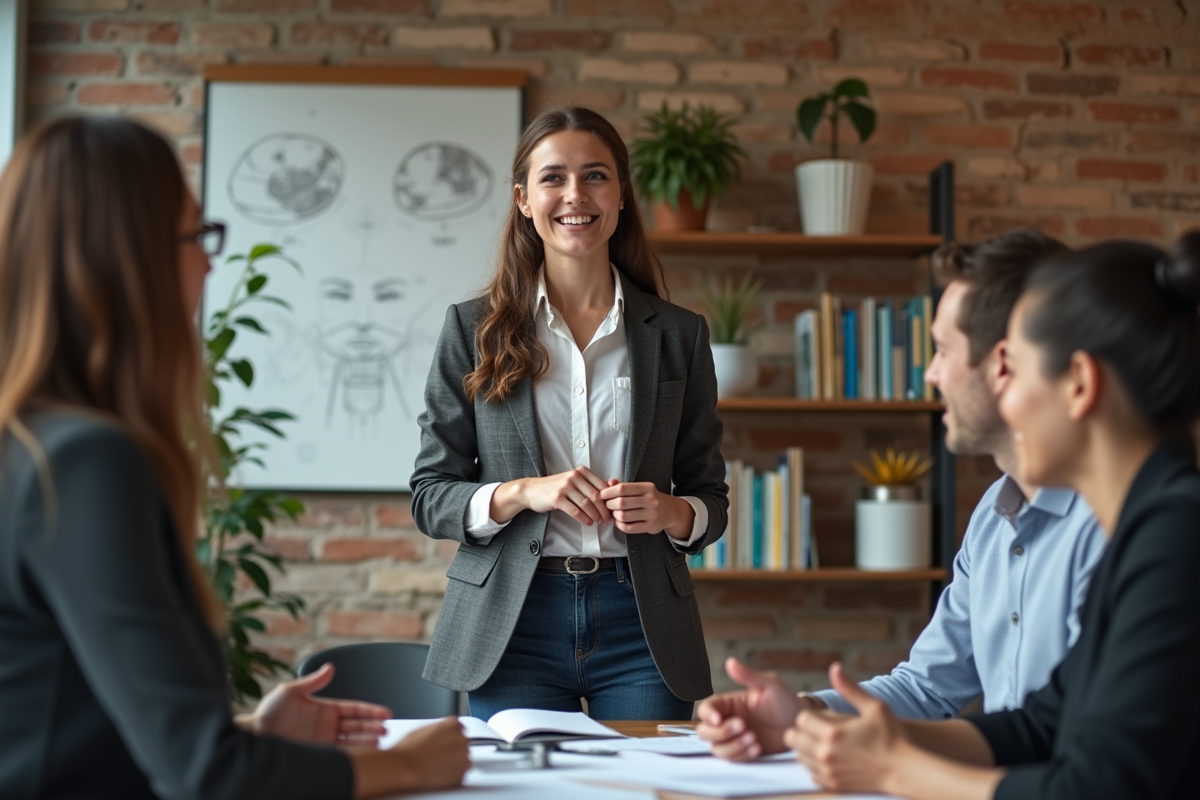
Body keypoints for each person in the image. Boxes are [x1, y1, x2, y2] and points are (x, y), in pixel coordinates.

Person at [0, 116, 469, 799]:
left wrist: (252, 729)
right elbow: (205, 776)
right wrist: (408, 766)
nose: (209, 261)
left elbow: (92, 729)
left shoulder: (33, 444)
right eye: (196, 236)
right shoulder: (84, 463)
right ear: (128, 258)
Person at [787, 233, 1200, 799]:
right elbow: (1039, 726)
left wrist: (891, 769)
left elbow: (1100, 785)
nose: (1008, 399)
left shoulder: (1176, 533)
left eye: (1019, 370)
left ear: (1078, 384)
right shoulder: (1148, 523)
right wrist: (851, 734)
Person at [697, 230, 1106, 759]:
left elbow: (1077, 749)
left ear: (1005, 361)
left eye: (941, 350)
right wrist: (807, 715)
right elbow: (928, 689)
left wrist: (890, 764)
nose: (930, 373)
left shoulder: (1109, 526)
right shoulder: (993, 516)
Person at [410, 107, 728, 720]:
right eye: (553, 178)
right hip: (513, 622)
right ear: (524, 199)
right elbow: (431, 496)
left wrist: (670, 511)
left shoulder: (679, 336)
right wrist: (523, 492)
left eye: (596, 176)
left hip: (643, 626)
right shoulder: (472, 329)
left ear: (622, 196)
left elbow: (710, 501)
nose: (575, 195)